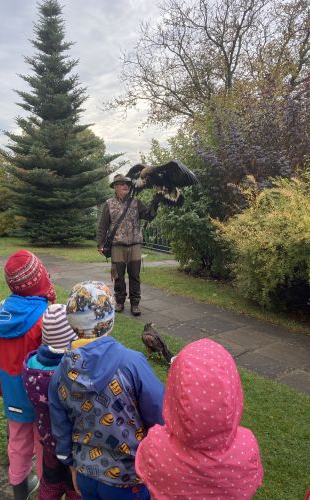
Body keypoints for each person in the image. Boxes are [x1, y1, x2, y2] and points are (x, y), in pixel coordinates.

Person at [49, 280, 164, 499]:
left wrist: (71, 465)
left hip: (86, 473)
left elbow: (60, 425)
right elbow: (159, 414)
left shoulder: (61, 371)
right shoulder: (133, 363)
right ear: (109, 320)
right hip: (129, 479)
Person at [135, 338, 264, 499]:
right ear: (233, 391)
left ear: (174, 391)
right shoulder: (247, 446)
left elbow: (145, 475)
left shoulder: (155, 444)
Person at [0, 250, 57, 500]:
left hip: (12, 393)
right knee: (43, 445)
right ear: (39, 278)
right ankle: (45, 487)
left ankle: (18, 487)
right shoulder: (44, 317)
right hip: (40, 398)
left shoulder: (1, 314)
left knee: (17, 443)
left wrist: (0, 387)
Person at [23, 303, 79, 500]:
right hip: (73, 445)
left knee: (50, 484)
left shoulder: (31, 366)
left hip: (48, 441)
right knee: (75, 488)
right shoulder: (72, 373)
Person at [96, 173, 158, 316]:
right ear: (115, 187)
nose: (126, 186)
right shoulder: (108, 204)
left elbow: (149, 215)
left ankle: (135, 304)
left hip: (135, 245)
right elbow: (102, 226)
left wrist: (156, 202)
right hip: (117, 246)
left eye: (127, 184)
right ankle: (119, 301)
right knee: (118, 276)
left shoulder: (136, 202)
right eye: (122, 184)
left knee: (135, 276)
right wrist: (100, 243)